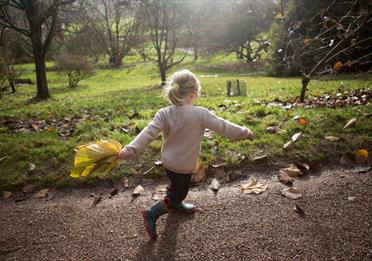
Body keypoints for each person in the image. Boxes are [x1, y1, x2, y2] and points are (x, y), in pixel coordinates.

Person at [118, 69, 253, 239]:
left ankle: (175, 203)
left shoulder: (164, 113)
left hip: (168, 161)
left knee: (177, 186)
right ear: (193, 93)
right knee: (180, 191)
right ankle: (152, 213)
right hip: (184, 164)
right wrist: (244, 132)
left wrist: (129, 149)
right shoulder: (201, 113)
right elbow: (224, 126)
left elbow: (148, 133)